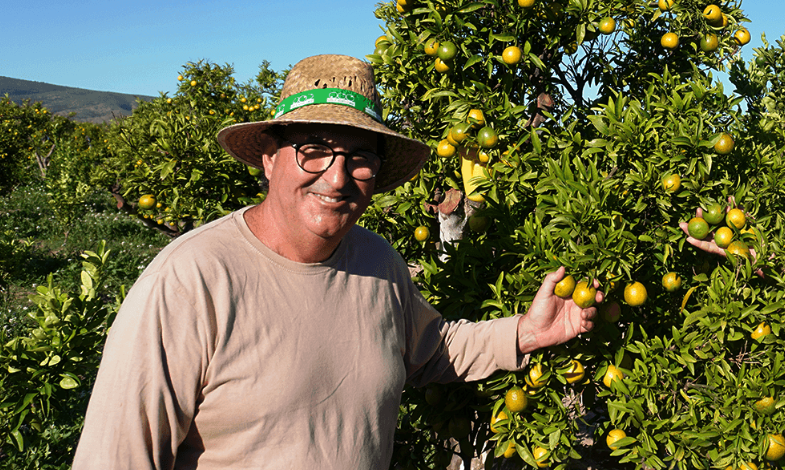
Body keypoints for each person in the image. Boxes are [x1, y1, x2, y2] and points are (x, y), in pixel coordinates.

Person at [73, 54, 598, 470]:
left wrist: (525, 334)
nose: (337, 177)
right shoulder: (192, 281)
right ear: (269, 157)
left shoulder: (376, 261)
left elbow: (431, 348)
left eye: (359, 156)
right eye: (314, 149)